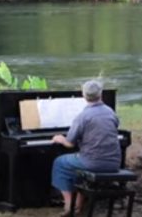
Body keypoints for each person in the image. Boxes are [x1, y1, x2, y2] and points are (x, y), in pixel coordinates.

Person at [51, 80, 121, 217]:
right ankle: (78, 205)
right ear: (101, 94)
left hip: (92, 162)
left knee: (60, 163)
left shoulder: (83, 116)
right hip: (114, 162)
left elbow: (70, 143)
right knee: (78, 165)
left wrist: (59, 139)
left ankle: (68, 206)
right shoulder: (110, 112)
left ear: (84, 96)